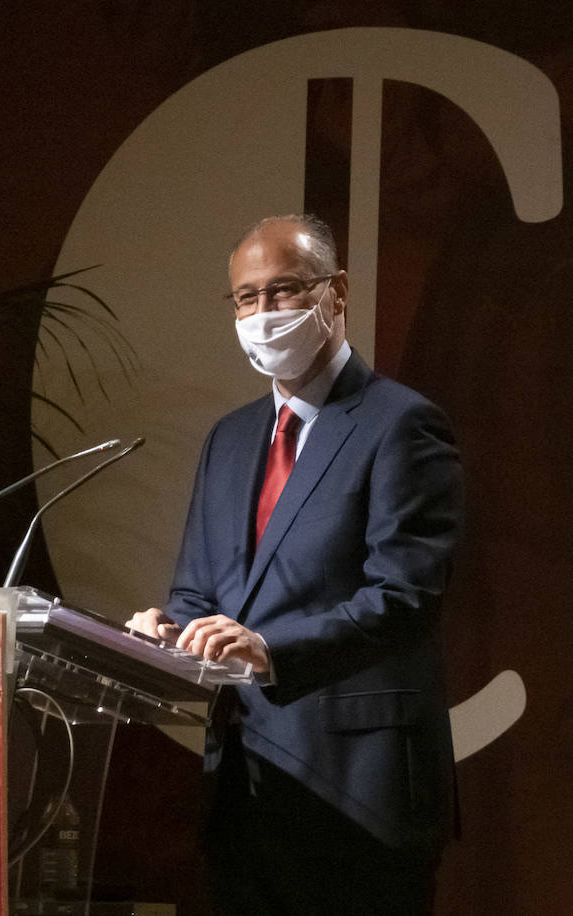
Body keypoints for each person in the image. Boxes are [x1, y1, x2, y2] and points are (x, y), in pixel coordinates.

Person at [126, 214, 462, 915]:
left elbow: (403, 597)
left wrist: (268, 650)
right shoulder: (230, 438)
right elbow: (198, 592)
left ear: (335, 292)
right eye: (246, 298)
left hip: (359, 795)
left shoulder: (402, 425)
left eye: (283, 291)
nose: (263, 313)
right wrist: (167, 635)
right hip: (248, 790)